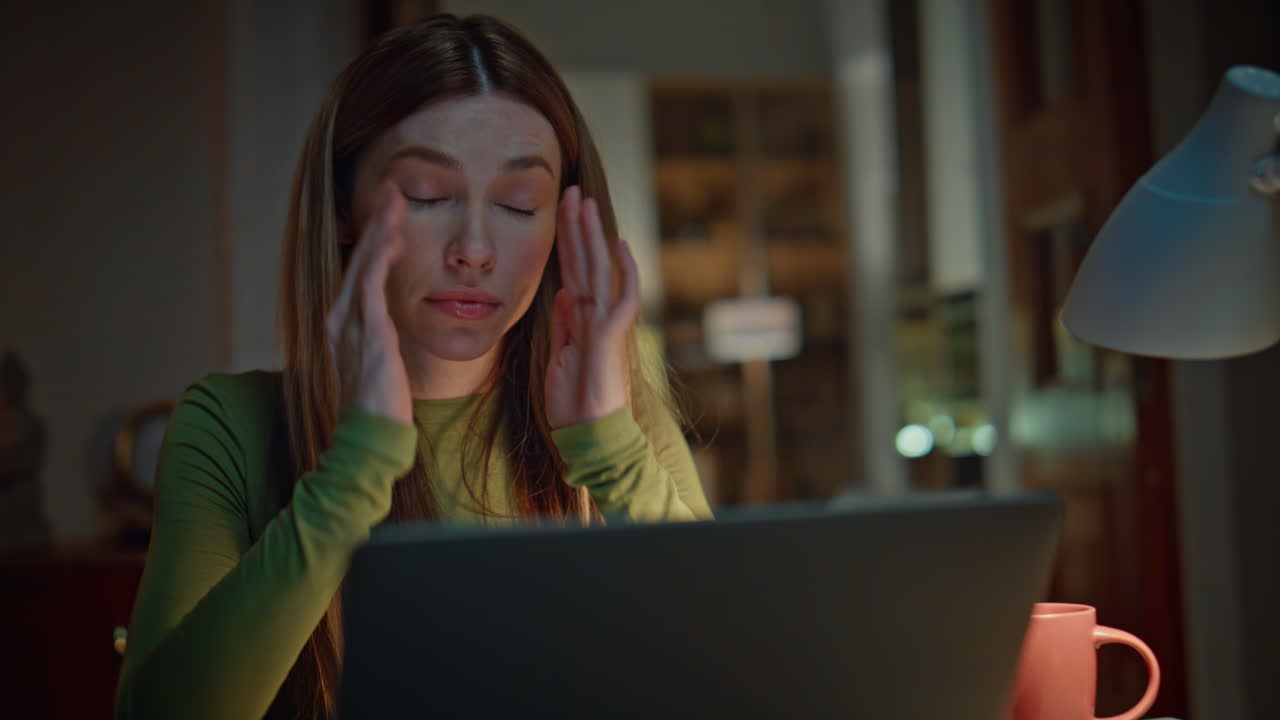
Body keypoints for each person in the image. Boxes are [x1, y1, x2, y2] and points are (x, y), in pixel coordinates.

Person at [114, 13, 713, 720]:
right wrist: (353, 473)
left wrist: (611, 451)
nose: (475, 250)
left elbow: (746, 676)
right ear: (344, 207)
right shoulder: (230, 428)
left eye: (520, 204)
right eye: (429, 197)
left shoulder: (621, 426)